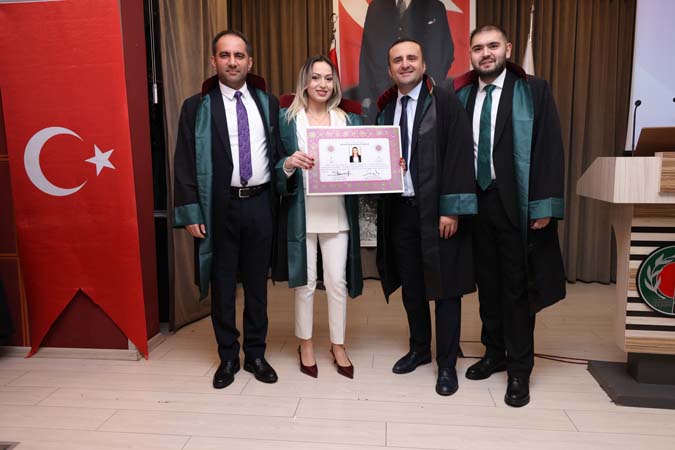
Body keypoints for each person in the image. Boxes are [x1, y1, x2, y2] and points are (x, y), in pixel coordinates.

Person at [453, 25, 566, 407]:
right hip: (477, 204)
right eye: (478, 48)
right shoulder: (463, 96)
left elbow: (549, 148)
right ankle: (494, 352)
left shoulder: (533, 91)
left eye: (493, 46)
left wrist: (543, 205)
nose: (485, 53)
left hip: (516, 204)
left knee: (517, 288)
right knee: (487, 284)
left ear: (508, 49)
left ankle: (519, 368)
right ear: (470, 54)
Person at [173, 30, 285, 389]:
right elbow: (184, 161)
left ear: (250, 62)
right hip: (218, 208)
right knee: (222, 286)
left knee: (257, 286)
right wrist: (191, 211)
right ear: (214, 61)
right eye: (225, 55)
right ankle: (227, 356)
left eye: (239, 55)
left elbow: (280, 153)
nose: (232, 62)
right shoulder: (197, 107)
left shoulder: (268, 103)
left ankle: (255, 353)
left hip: (260, 204)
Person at [376, 38, 476, 396]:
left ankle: (446, 364)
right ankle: (419, 348)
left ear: (423, 64)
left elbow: (459, 155)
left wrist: (451, 208)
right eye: (397, 60)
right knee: (412, 287)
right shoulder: (386, 110)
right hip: (401, 212)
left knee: (446, 289)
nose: (405, 64)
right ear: (390, 70)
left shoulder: (445, 102)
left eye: (411, 58)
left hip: (437, 213)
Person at [274, 55, 363, 379]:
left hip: (336, 211)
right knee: (306, 283)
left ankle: (338, 345)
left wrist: (387, 168)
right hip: (302, 212)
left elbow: (365, 162)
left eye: (328, 78)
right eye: (315, 77)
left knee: (337, 282)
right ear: (305, 82)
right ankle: (306, 344)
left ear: (334, 84)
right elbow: (273, 165)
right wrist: (288, 163)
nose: (322, 84)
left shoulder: (349, 121)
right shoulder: (287, 120)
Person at [359, 0, 454, 122]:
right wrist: (366, 96)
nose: (405, 64)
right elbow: (366, 53)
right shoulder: (375, 7)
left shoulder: (435, 7)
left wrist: (430, 86)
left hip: (425, 98)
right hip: (380, 98)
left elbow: (446, 51)